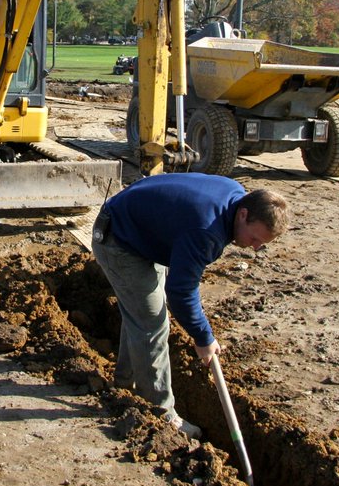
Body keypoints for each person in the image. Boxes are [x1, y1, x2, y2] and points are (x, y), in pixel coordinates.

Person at [91, 173, 288, 438]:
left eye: (261, 245)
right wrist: (203, 337)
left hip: (142, 230)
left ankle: (125, 383)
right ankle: (160, 413)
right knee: (151, 323)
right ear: (243, 215)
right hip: (118, 239)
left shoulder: (235, 194)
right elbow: (180, 292)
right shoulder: (207, 230)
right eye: (254, 239)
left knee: (142, 312)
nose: (254, 248)